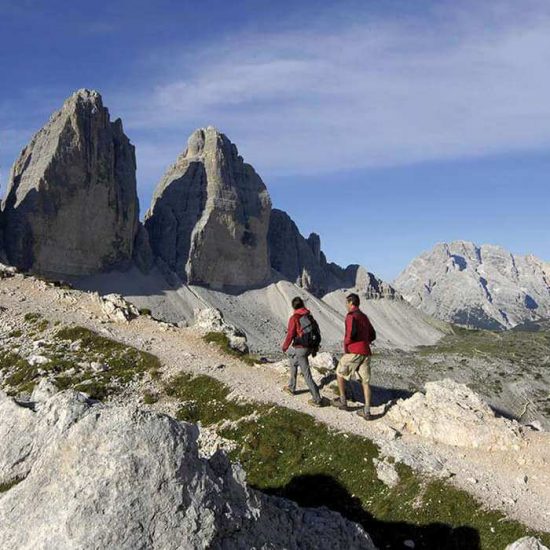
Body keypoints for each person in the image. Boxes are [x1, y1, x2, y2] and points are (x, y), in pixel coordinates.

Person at [332, 293, 375, 420]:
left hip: (354, 351)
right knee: (365, 382)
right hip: (366, 352)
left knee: (339, 372)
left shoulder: (351, 316)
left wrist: (346, 345)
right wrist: (364, 341)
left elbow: (349, 334)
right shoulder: (364, 316)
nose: (346, 305)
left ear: (351, 303)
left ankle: (343, 401)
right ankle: (367, 411)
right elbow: (373, 334)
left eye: (347, 303)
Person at [281, 296, 325, 407]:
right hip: (310, 347)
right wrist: (315, 349)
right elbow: (316, 332)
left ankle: (317, 399)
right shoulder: (309, 316)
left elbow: (290, 334)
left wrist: (285, 347)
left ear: (293, 306)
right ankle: (291, 387)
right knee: (293, 361)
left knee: (306, 374)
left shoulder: (295, 318)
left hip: (301, 348)